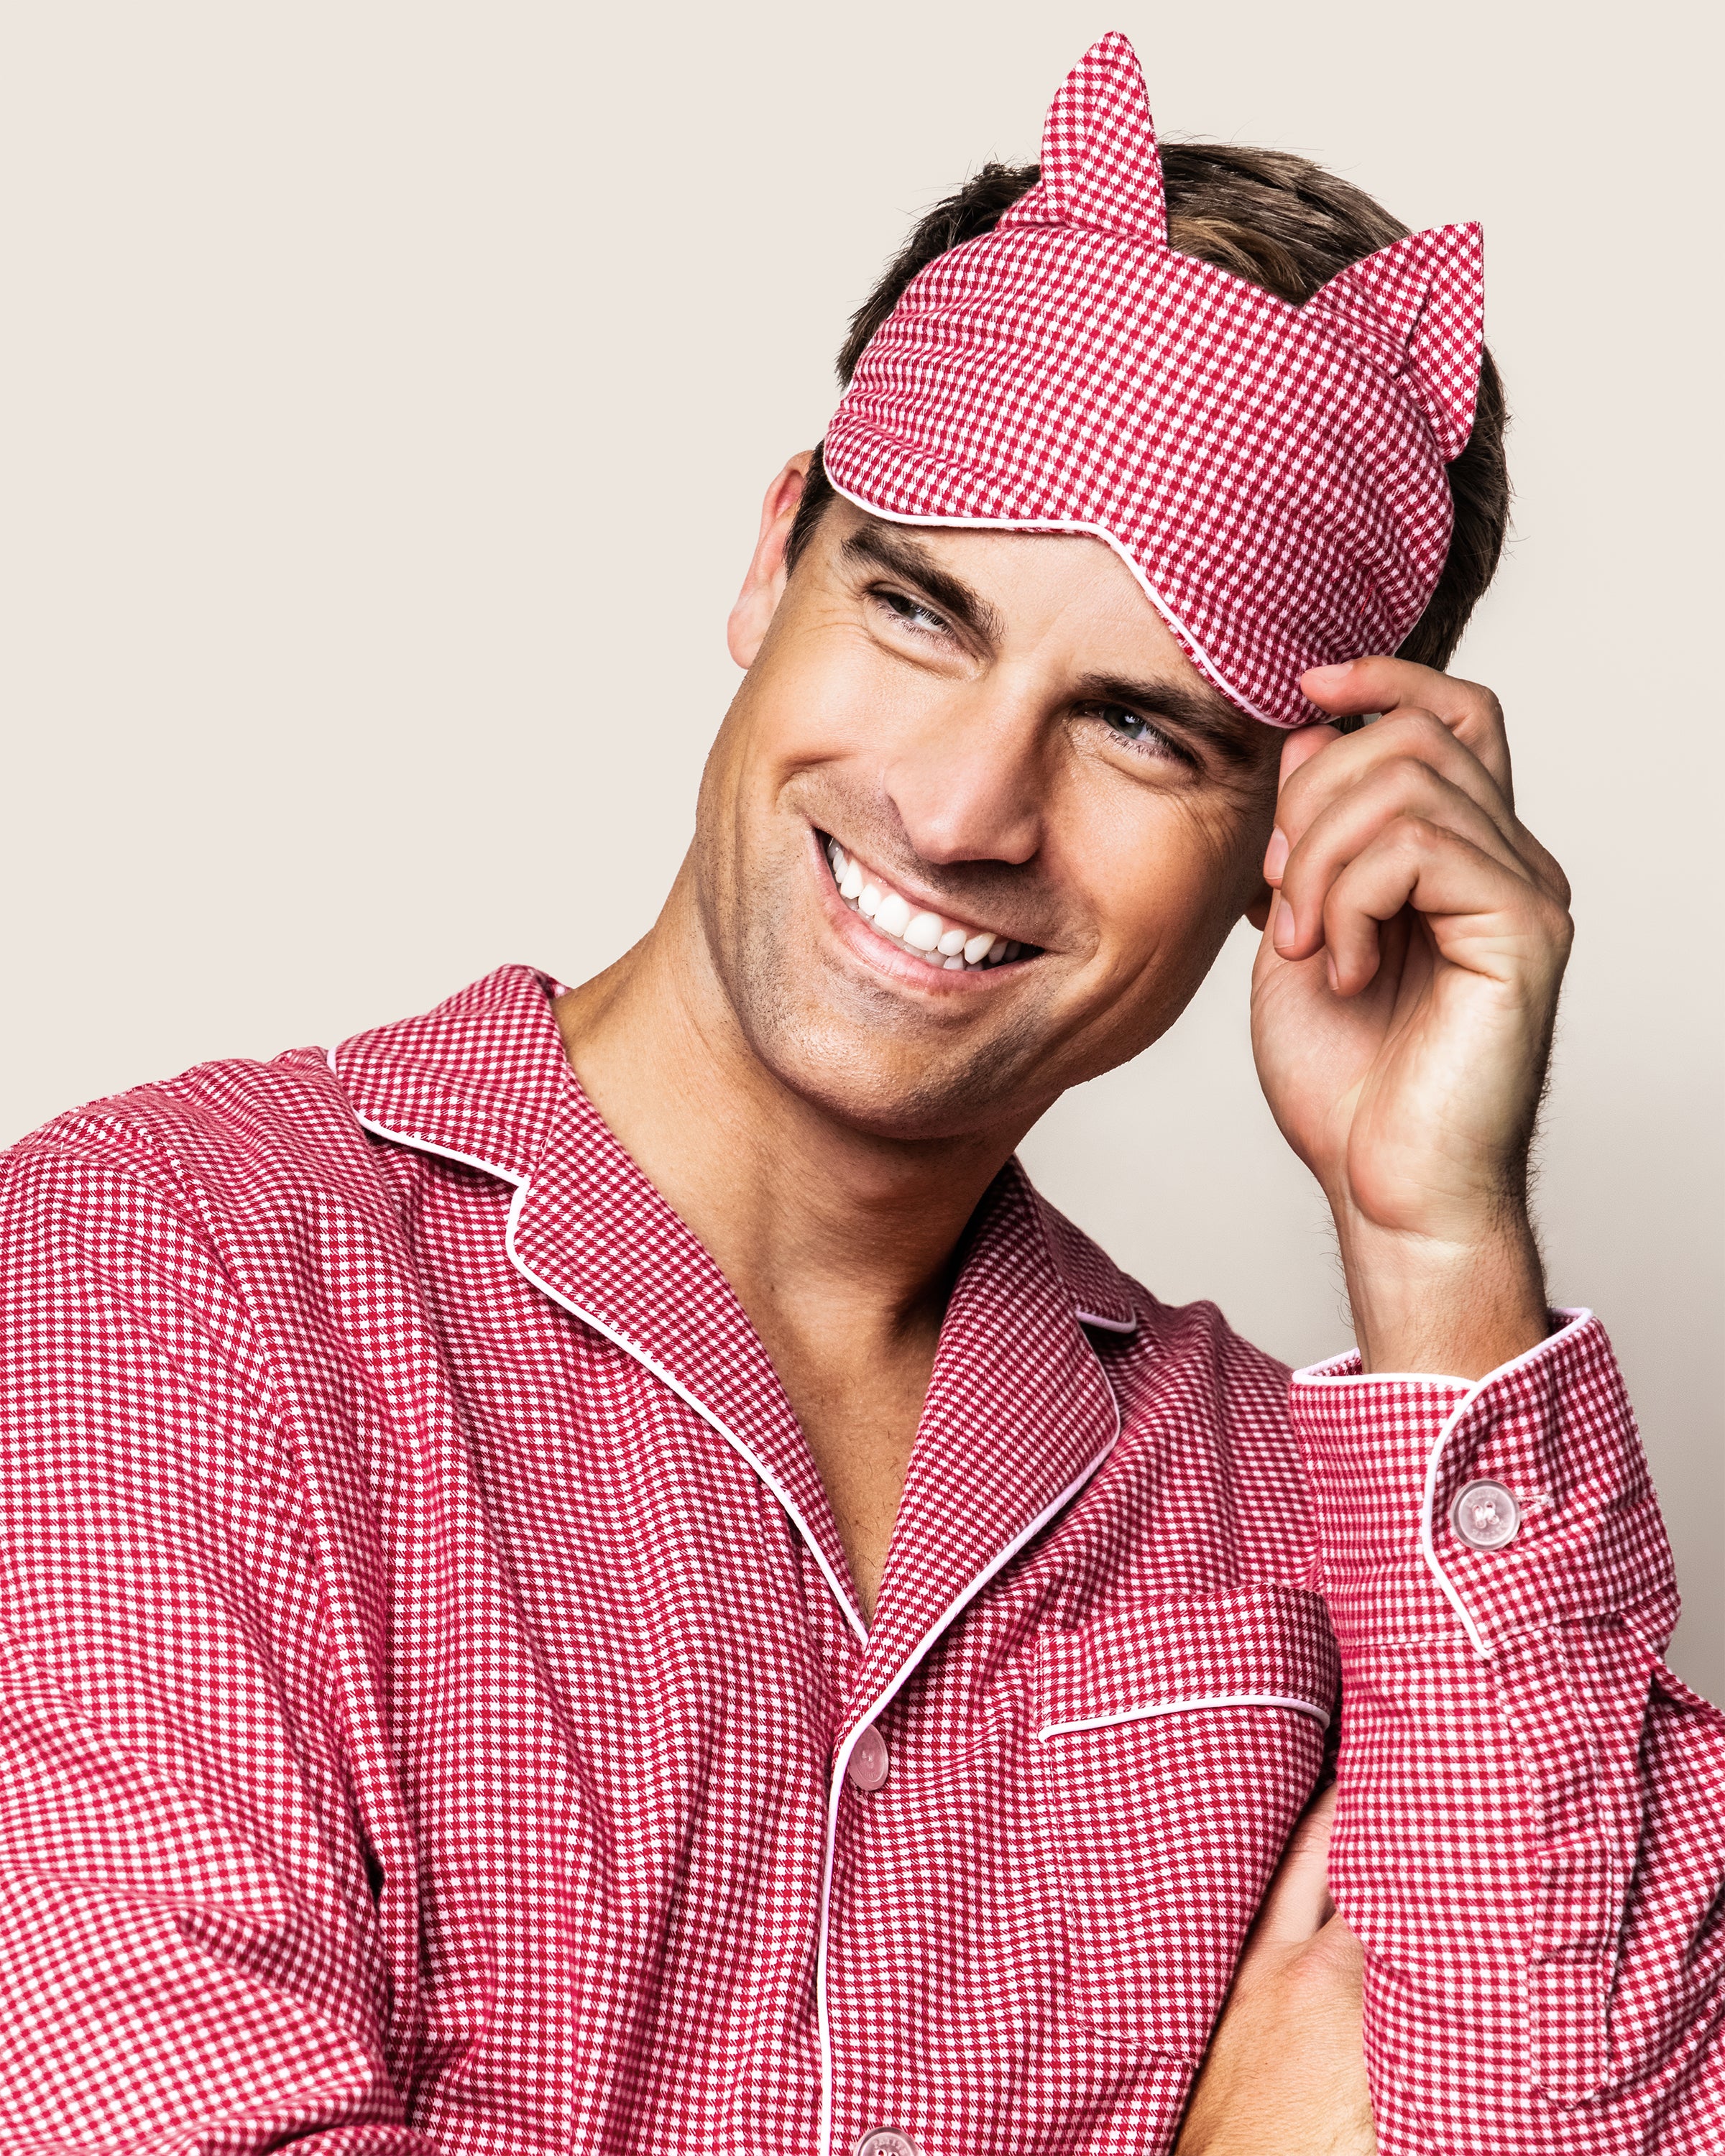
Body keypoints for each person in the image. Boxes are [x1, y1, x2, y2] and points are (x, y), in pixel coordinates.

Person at [0, 29, 1716, 2155]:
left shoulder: (1310, 1534)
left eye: (1144, 732)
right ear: (775, 550)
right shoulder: (163, 1288)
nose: (963, 802)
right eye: (919, 612)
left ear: (1295, 839)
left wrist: (1437, 1248)